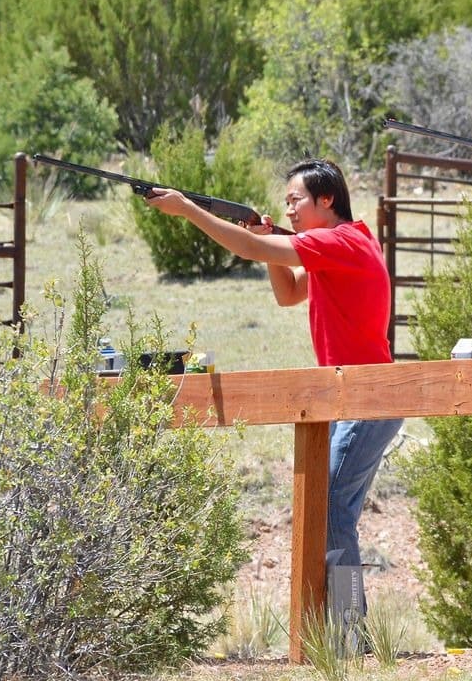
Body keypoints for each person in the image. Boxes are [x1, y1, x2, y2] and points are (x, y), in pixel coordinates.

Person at [146, 159, 401, 569]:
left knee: (330, 509)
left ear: (327, 199)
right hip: (350, 397)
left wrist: (189, 210)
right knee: (330, 511)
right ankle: (339, 623)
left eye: (296, 200)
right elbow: (289, 293)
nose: (289, 210)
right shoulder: (342, 245)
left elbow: (246, 248)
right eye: (286, 202)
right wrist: (270, 246)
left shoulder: (340, 243)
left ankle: (347, 625)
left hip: (363, 398)